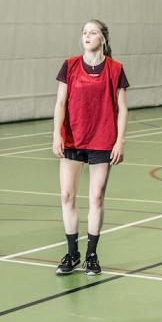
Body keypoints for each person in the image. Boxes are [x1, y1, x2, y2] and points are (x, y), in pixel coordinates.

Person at [50, 20, 128, 276]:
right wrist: (56, 134)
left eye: (92, 32)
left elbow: (122, 108)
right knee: (67, 195)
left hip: (102, 139)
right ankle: (72, 254)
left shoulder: (115, 69)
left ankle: (91, 255)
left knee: (96, 197)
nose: (87, 35)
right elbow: (60, 103)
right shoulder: (70, 65)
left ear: (103, 38)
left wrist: (120, 140)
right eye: (84, 32)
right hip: (73, 138)